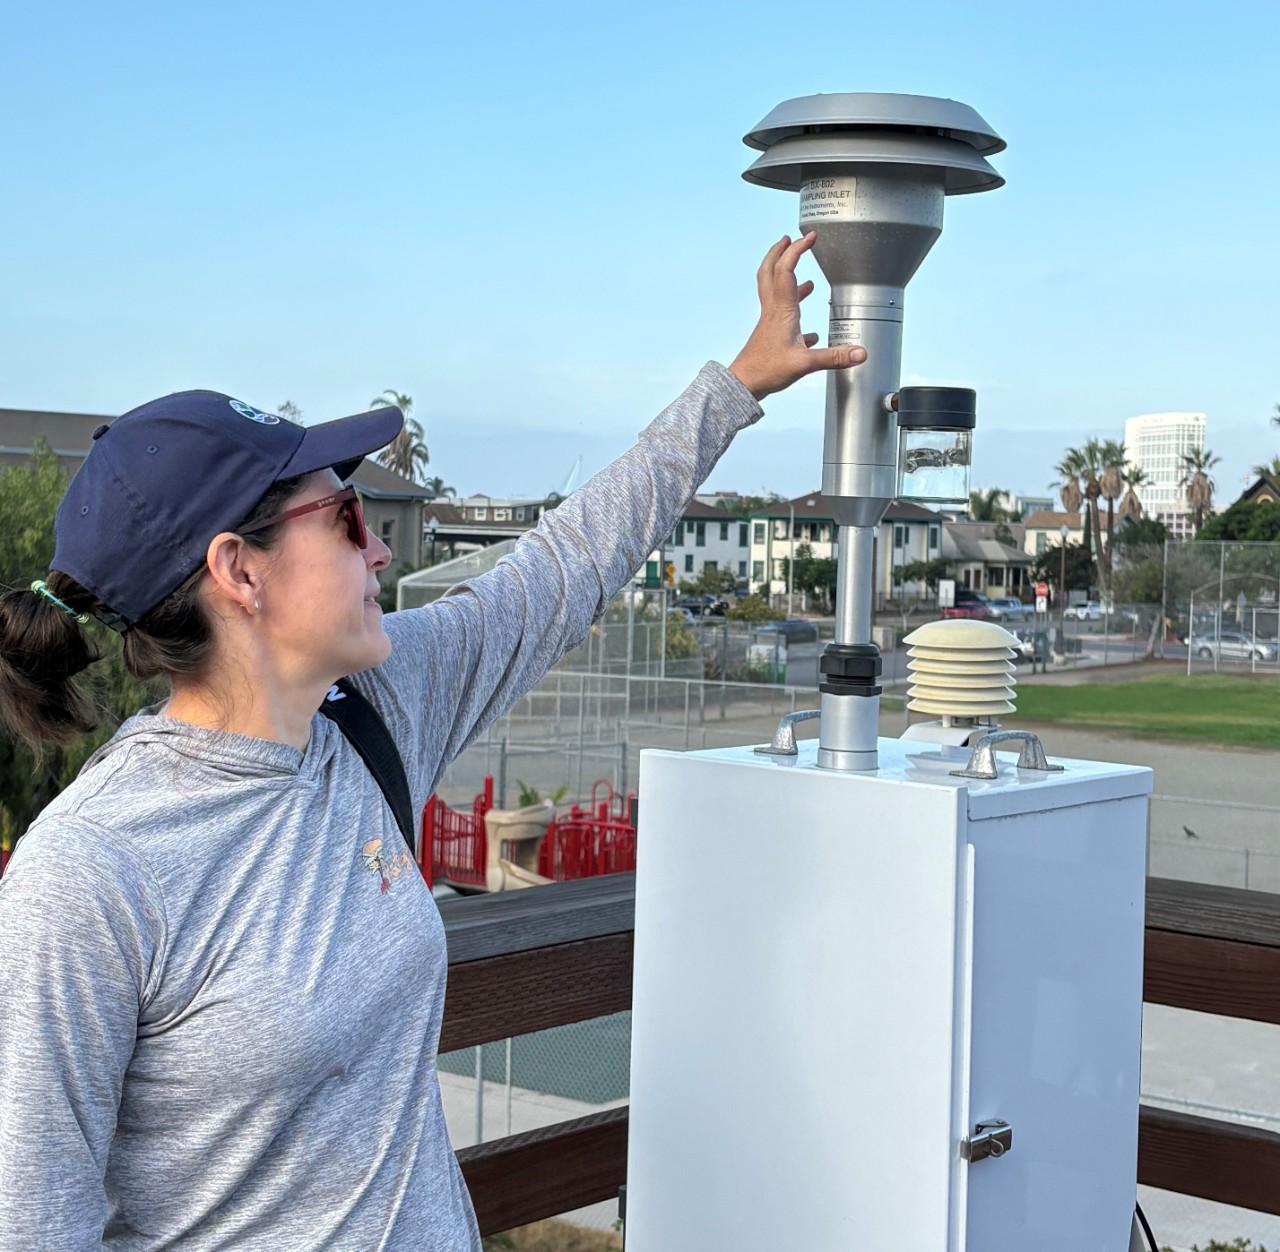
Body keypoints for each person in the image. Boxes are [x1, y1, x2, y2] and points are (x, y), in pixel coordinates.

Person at [0, 234, 866, 1250]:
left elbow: (564, 564)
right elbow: (34, 1219)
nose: (377, 547)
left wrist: (736, 382)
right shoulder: (91, 873)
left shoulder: (375, 704)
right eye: (347, 514)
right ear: (239, 570)